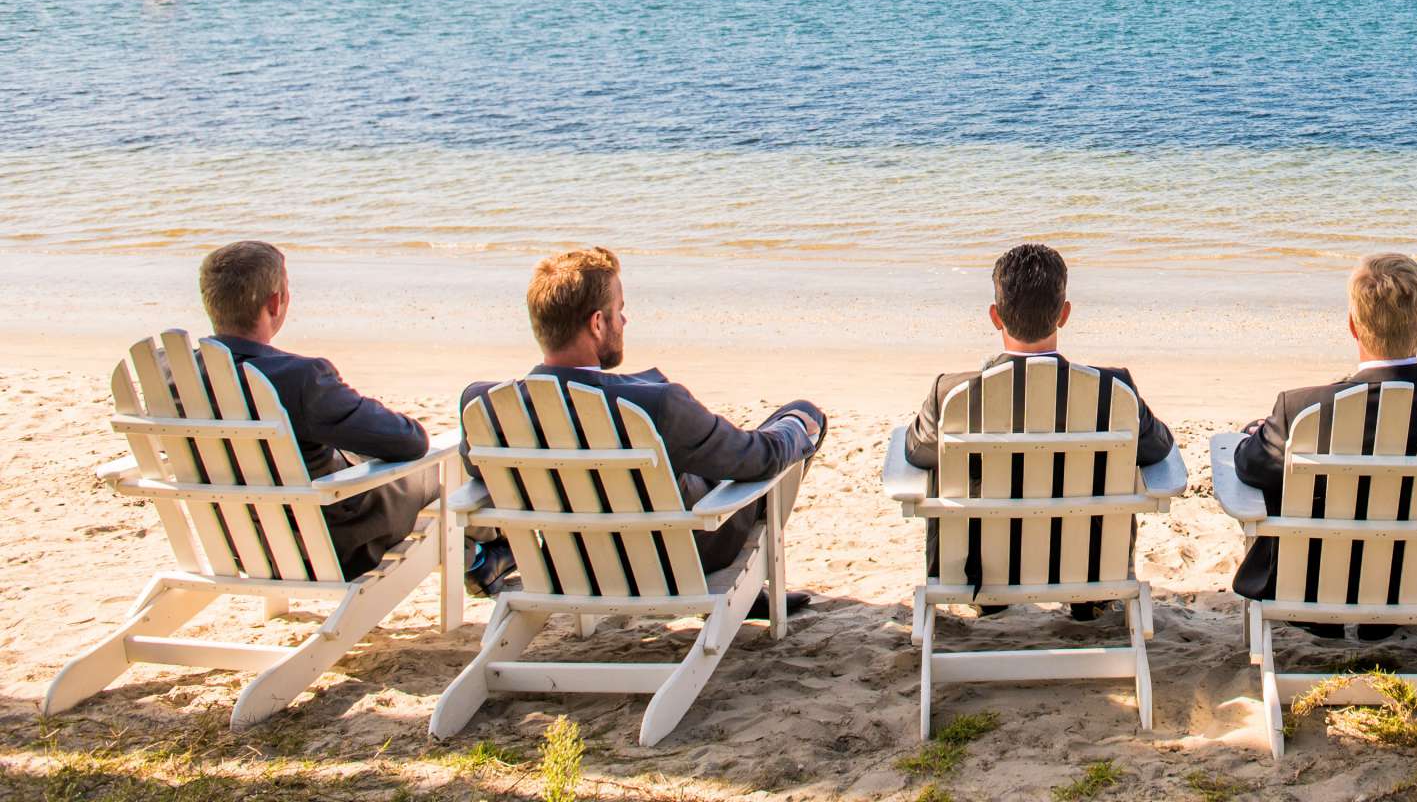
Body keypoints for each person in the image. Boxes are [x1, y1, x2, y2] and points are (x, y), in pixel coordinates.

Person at [461, 246, 826, 615]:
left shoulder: (484, 407)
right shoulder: (656, 404)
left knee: (678, 463)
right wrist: (797, 430)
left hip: (570, 561)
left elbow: (481, 473)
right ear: (597, 323)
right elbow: (758, 459)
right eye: (619, 311)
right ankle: (744, 593)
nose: (624, 321)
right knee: (801, 416)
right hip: (679, 560)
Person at [1230, 252, 1417, 639]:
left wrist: (1256, 434)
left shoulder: (1302, 409)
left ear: (1353, 326)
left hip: (1313, 586)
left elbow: (1251, 467)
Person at [905, 242, 1173, 616]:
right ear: (1064, 314)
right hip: (1089, 567)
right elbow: (1159, 449)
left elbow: (916, 452)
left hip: (980, 569)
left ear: (995, 317)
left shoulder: (953, 395)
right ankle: (1087, 603)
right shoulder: (1114, 392)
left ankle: (994, 605)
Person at [197, 240, 441, 577]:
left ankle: (481, 558)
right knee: (436, 471)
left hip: (238, 543)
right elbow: (408, 441)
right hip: (326, 543)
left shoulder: (173, 378)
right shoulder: (300, 378)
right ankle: (480, 560)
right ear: (275, 302)